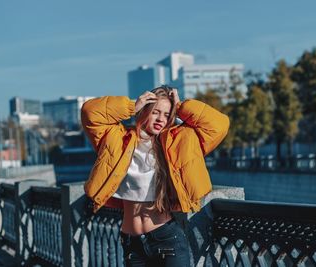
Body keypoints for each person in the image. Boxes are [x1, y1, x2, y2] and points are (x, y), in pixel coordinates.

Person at [81, 85, 230, 266]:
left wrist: (181, 106)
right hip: (132, 244)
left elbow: (219, 125)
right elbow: (90, 112)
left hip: (167, 240)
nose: (161, 119)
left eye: (167, 114)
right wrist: (131, 106)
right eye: (156, 112)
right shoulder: (116, 139)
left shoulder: (178, 142)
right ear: (145, 110)